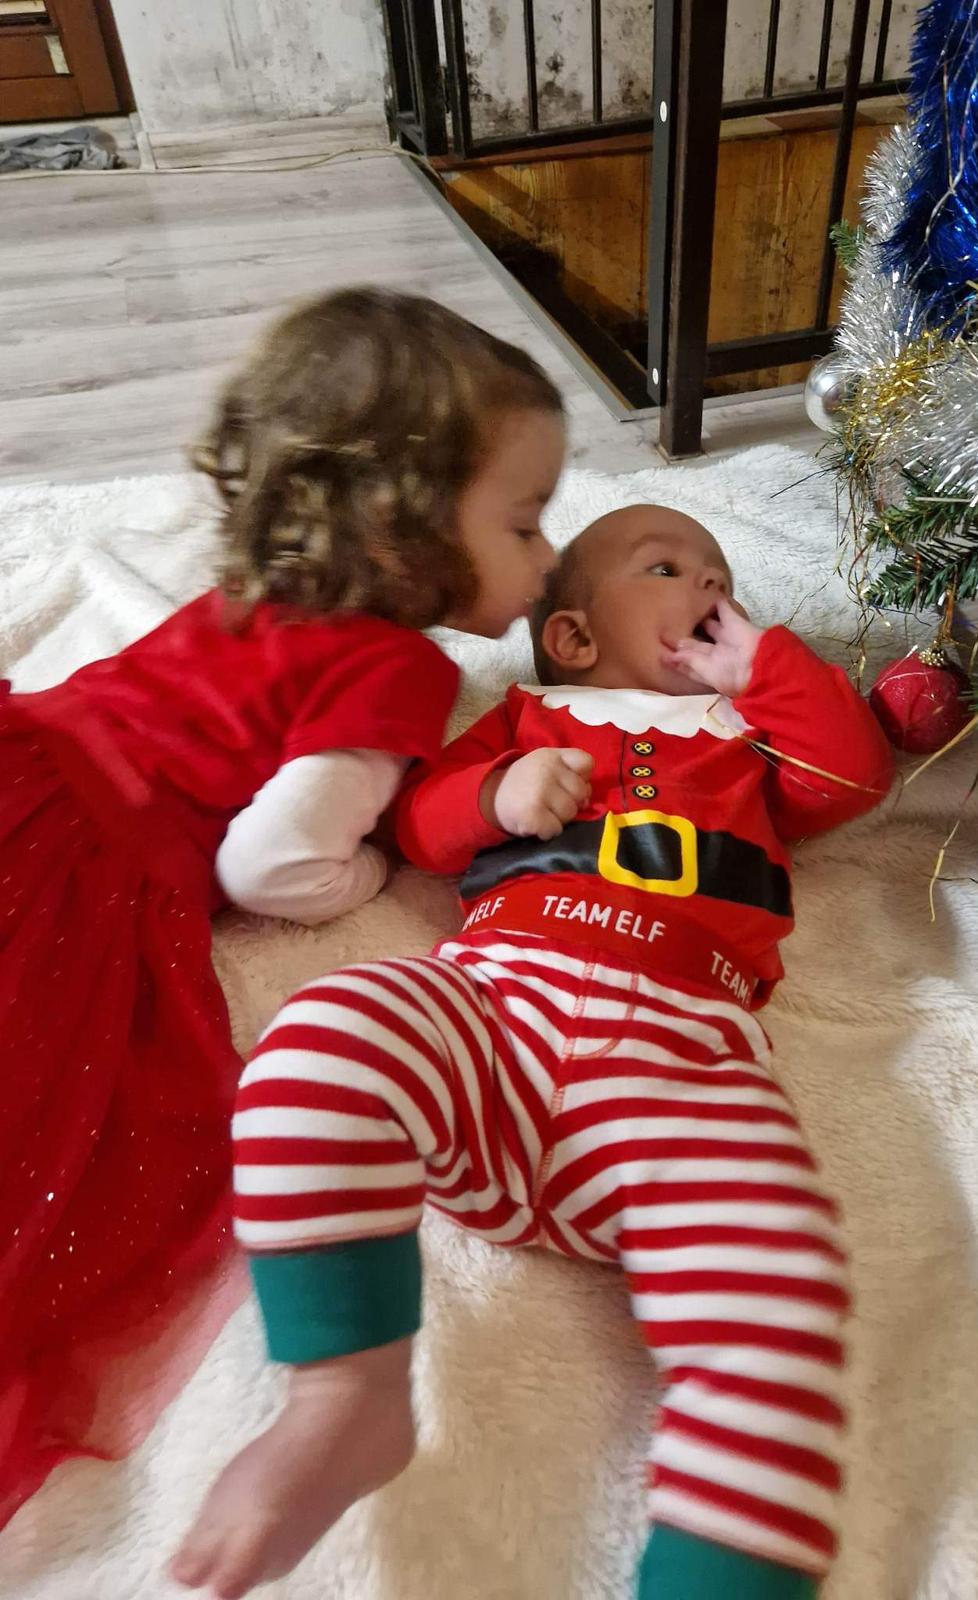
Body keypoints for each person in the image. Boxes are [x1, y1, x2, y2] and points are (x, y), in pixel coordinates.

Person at [171, 504, 894, 1600]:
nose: (711, 588)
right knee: (315, 1044)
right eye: (670, 568)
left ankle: (719, 1575)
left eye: (723, 576)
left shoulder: (750, 733)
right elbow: (421, 827)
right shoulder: (527, 715)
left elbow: (851, 779)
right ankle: (345, 1392)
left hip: (681, 1059)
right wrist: (496, 794)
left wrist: (769, 670)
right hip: (499, 1007)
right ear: (573, 636)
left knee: (783, 1280)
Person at [0, 287, 565, 1528]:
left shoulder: (251, 594)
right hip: (89, 864)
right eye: (525, 523)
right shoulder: (396, 669)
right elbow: (272, 864)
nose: (545, 560)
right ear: (407, 530)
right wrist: (367, 877)